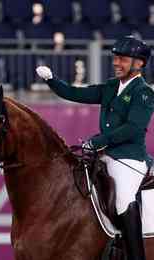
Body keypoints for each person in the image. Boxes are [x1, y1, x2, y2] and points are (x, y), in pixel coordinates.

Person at [36, 35, 153, 260]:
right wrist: (52, 80)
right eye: (116, 58)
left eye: (123, 59)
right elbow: (75, 93)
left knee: (123, 199)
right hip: (104, 155)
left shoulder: (144, 93)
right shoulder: (111, 86)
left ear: (139, 64)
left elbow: (133, 129)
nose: (117, 63)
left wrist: (98, 141)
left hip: (128, 159)